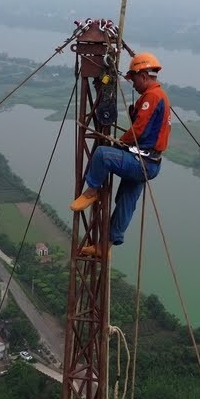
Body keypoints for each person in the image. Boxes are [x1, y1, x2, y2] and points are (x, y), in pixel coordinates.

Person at [69, 52, 171, 255]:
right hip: (150, 163)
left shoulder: (152, 96)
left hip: (142, 161)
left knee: (101, 154)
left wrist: (117, 143)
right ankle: (103, 247)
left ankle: (92, 191)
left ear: (143, 75)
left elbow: (138, 131)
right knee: (126, 202)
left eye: (133, 79)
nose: (133, 84)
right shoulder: (160, 96)